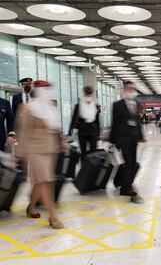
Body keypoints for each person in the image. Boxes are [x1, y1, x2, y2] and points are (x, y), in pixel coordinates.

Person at [15, 80, 64, 229]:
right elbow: (22, 132)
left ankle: (31, 206)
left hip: (49, 149)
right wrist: (18, 153)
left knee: (40, 181)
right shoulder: (27, 109)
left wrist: (62, 144)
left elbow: (56, 128)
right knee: (46, 181)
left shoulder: (50, 108)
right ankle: (53, 217)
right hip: (34, 150)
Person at [109, 81, 144, 202]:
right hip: (122, 139)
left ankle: (121, 183)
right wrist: (112, 141)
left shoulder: (137, 104)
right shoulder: (117, 105)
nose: (131, 91)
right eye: (129, 89)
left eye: (133, 89)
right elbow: (115, 123)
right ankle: (126, 188)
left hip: (133, 140)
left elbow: (137, 121)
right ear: (124, 90)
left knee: (132, 164)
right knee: (129, 163)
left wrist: (141, 135)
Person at [69, 86, 100, 158]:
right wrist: (70, 131)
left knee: (93, 153)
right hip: (83, 130)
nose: (89, 94)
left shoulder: (95, 104)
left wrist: (98, 132)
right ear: (84, 92)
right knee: (83, 153)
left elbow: (97, 120)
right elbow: (74, 118)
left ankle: (91, 168)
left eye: (90, 92)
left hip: (93, 130)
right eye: (87, 92)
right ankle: (84, 167)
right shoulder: (79, 105)